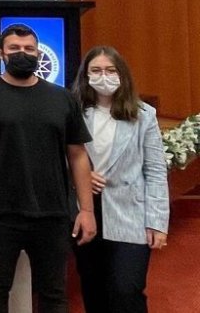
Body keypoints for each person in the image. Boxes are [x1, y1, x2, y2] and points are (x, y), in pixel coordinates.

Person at [0, 24, 97, 313]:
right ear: (1, 53)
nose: (22, 53)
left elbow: (78, 157)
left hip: (53, 214)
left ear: (38, 53)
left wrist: (86, 210)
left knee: (53, 294)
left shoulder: (63, 98)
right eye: (14, 48)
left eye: (29, 49)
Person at [71, 46, 169, 313]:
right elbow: (60, 157)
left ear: (121, 74)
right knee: (94, 288)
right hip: (86, 210)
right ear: (86, 76)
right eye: (96, 71)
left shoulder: (143, 115)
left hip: (130, 212)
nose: (103, 76)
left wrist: (157, 222)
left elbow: (155, 170)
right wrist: (80, 176)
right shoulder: (73, 111)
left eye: (110, 70)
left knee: (127, 289)